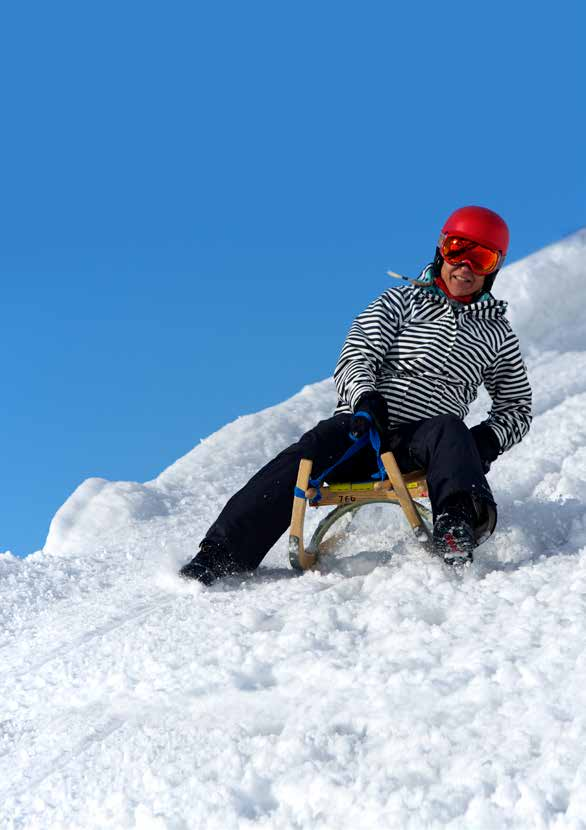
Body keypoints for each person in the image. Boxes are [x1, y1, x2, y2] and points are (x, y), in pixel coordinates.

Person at [180, 206, 532, 583]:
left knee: (449, 429)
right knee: (306, 453)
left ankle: (457, 525)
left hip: (422, 444)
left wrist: (484, 441)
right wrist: (364, 399)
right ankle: (220, 553)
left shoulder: (497, 335)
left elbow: (517, 406)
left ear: (493, 268)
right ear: (440, 250)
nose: (464, 266)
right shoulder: (399, 302)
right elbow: (356, 355)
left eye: (479, 258)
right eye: (456, 249)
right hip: (362, 429)